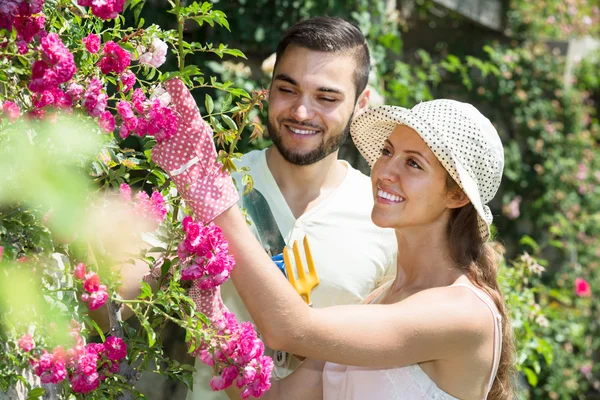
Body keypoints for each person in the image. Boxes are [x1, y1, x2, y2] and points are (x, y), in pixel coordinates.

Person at [154, 85, 515, 399]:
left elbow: (290, 331)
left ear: (456, 196)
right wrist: (212, 322)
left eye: (414, 164)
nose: (385, 171)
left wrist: (215, 200)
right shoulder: (378, 300)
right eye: (387, 151)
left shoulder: (462, 313)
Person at [187, 16, 399, 399]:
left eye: (327, 97)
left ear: (360, 104)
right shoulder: (213, 181)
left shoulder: (385, 218)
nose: (301, 113)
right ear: (267, 89)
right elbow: (122, 300)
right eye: (287, 89)